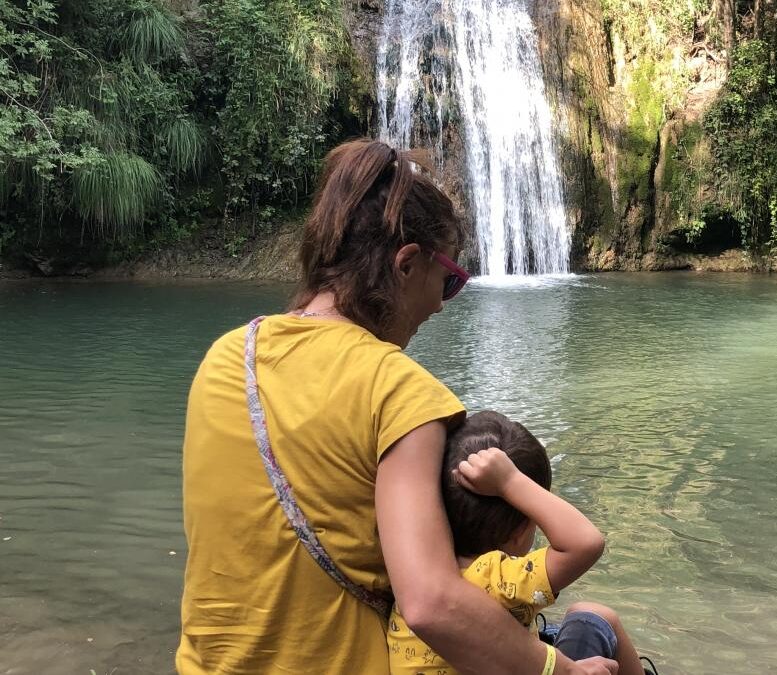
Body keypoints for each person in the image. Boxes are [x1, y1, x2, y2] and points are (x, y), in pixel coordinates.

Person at [177, 139, 617, 675]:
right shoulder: (399, 391)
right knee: (595, 629)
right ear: (407, 263)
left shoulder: (227, 355)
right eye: (449, 281)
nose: (439, 304)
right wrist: (562, 671)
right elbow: (431, 602)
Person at [388, 411, 649, 675]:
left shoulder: (408, 576)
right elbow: (586, 543)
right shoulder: (498, 578)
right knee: (594, 615)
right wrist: (509, 482)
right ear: (519, 531)